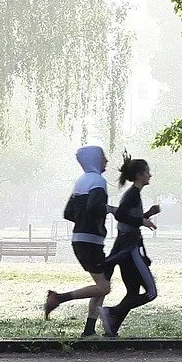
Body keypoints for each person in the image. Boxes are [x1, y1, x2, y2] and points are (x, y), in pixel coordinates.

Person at [44, 144, 113, 336]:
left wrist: (84, 220)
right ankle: (59, 298)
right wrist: (109, 210)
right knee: (104, 287)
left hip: (80, 239)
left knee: (101, 286)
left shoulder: (81, 181)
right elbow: (95, 207)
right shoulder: (98, 181)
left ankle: (89, 330)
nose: (106, 160)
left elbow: (68, 212)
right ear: (95, 160)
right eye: (103, 157)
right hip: (91, 240)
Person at [101, 156, 160, 338]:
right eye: (147, 172)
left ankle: (112, 327)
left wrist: (147, 214)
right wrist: (143, 221)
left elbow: (128, 218)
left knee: (133, 292)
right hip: (130, 248)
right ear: (140, 175)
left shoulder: (133, 194)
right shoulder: (132, 194)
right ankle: (111, 312)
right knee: (151, 292)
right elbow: (120, 215)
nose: (150, 175)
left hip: (125, 247)